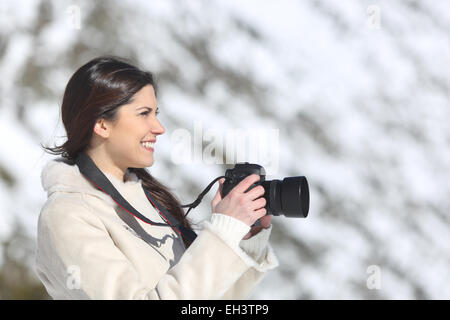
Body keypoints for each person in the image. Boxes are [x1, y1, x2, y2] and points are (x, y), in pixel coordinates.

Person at [36, 55, 278, 299]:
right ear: (102, 124)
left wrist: (243, 238)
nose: (159, 127)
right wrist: (222, 232)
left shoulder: (150, 202)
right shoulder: (67, 215)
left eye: (156, 113)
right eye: (144, 114)